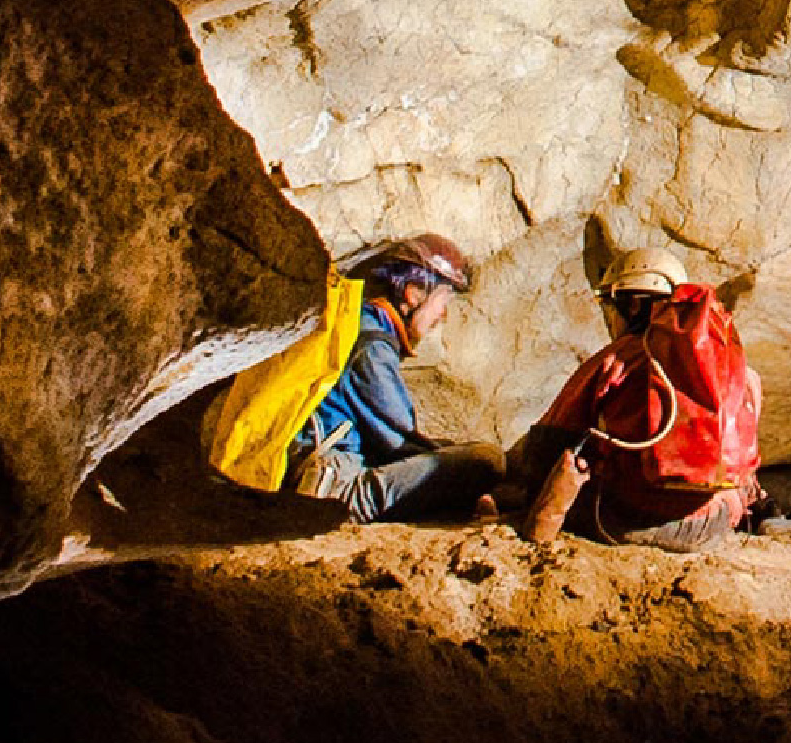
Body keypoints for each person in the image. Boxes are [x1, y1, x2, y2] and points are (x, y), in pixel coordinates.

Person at [515, 248, 764, 552]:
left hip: (626, 523)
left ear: (631, 305)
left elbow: (548, 443)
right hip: (714, 523)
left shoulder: (617, 359)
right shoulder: (738, 371)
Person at [286, 233, 504, 522]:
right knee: (486, 461)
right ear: (413, 293)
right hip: (336, 489)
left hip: (327, 472)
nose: (443, 315)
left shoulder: (358, 324)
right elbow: (399, 442)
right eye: (443, 301)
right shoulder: (371, 345)